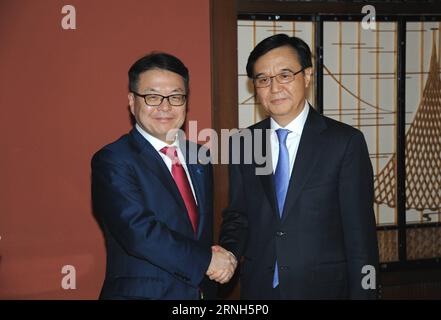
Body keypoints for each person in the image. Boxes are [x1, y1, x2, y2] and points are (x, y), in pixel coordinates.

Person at [219, 34, 379, 299]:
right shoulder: (243, 143)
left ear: (306, 76)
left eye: (285, 75)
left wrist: (365, 294)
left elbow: (360, 235)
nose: (274, 88)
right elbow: (239, 216)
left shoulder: (344, 142)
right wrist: (229, 254)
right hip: (260, 290)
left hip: (324, 290)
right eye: (263, 80)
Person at [91, 52, 236, 300]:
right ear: (131, 100)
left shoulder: (200, 155)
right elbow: (138, 233)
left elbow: (199, 232)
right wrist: (207, 261)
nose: (165, 106)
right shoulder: (113, 159)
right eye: (152, 96)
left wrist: (225, 256)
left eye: (176, 97)